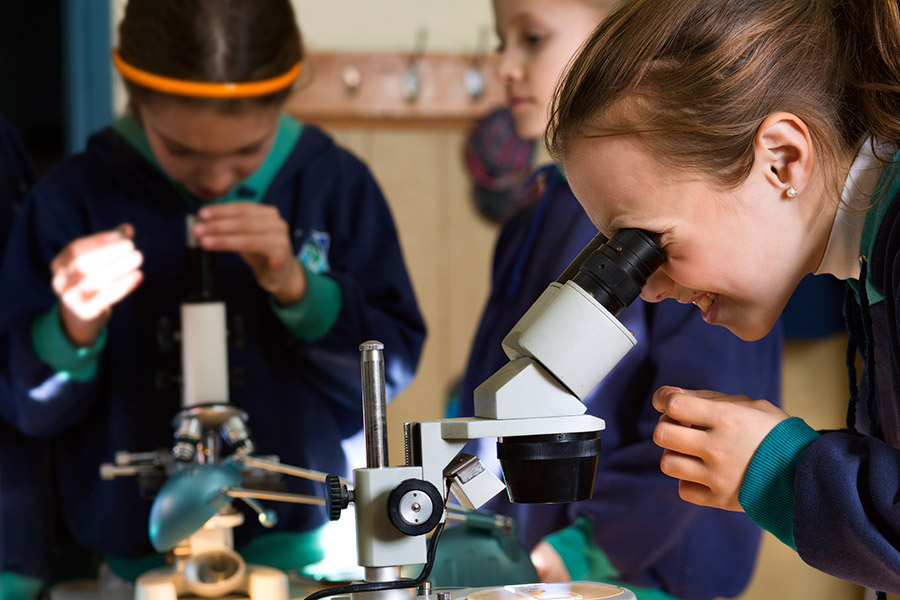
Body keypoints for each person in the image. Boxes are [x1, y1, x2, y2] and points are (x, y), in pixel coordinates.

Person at [0, 0, 425, 590]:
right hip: (134, 562)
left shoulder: (334, 186)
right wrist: (71, 326)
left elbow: (393, 364)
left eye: (246, 154)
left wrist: (302, 292)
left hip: (305, 550)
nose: (216, 181)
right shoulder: (71, 201)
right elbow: (27, 406)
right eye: (183, 153)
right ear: (133, 95)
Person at [544, 0, 900, 595]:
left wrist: (782, 470)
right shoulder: (870, 252)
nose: (650, 290)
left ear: (783, 160)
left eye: (649, 242)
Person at [457, 1, 783, 599]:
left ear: (623, 42)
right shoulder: (534, 211)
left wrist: (582, 547)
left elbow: (703, 420)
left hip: (647, 571)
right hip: (543, 555)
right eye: (499, 41)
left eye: (532, 38)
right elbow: (502, 379)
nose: (505, 66)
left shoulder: (691, 229)